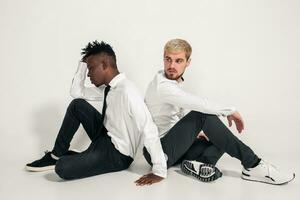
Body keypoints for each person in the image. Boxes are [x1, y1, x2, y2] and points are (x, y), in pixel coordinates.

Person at [138, 38, 295, 185]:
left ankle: (200, 165)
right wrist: (230, 110)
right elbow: (199, 104)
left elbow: (173, 116)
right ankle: (253, 164)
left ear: (188, 62)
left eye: (178, 60)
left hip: (174, 147)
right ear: (163, 58)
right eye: (168, 59)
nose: (172, 65)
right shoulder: (163, 86)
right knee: (202, 115)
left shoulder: (174, 82)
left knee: (219, 136)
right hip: (158, 152)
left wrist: (194, 132)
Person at [26, 40, 167, 184]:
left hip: (116, 154)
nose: (88, 75)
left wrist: (159, 171)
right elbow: (77, 92)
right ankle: (56, 155)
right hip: (103, 136)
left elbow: (148, 127)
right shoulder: (109, 88)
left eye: (91, 69)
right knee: (77, 105)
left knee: (62, 168)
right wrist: (84, 63)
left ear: (104, 65)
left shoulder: (128, 91)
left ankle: (76, 157)